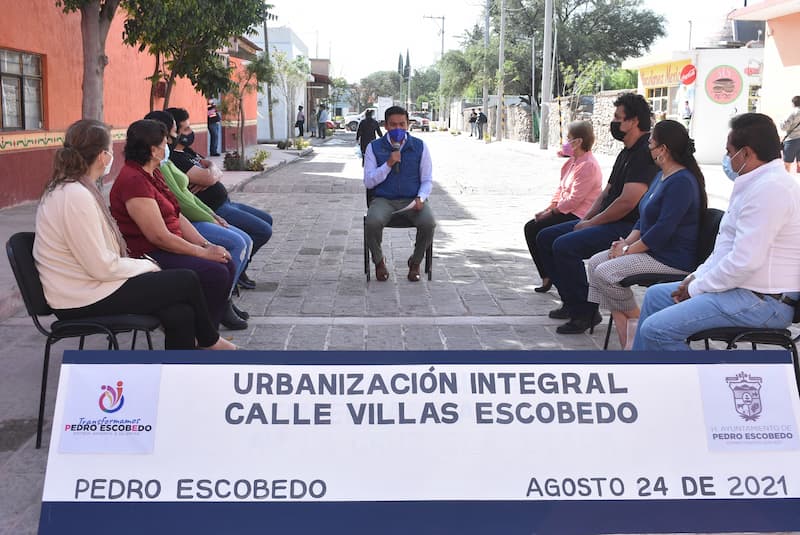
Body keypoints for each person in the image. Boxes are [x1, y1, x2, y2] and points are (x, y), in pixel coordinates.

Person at [35, 119, 235, 350]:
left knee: (179, 312)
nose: (113, 156)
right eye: (110, 150)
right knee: (185, 280)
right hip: (79, 296)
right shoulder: (74, 195)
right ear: (102, 156)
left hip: (91, 285)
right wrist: (148, 266)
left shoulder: (75, 189)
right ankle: (210, 342)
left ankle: (178, 374)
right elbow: (102, 267)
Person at [633, 113, 800, 351]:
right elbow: (725, 247)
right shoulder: (755, 182)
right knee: (656, 297)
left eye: (729, 152)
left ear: (746, 153)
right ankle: (642, 373)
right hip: (743, 289)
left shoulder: (771, 190)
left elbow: (743, 262)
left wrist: (696, 288)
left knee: (657, 330)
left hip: (763, 301)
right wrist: (697, 277)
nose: (728, 159)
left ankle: (699, 386)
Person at [536, 92, 658, 334]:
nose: (614, 122)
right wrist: (587, 219)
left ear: (633, 121)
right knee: (544, 237)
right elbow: (607, 192)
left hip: (627, 228)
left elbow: (627, 201)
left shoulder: (644, 153)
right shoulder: (626, 152)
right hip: (607, 221)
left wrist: (592, 224)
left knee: (565, 246)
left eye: (617, 117)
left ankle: (586, 313)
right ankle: (572, 302)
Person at [586, 119, 706, 349]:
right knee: (595, 264)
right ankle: (628, 338)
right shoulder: (661, 176)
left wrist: (628, 251)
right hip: (651, 251)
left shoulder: (681, 182)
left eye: (652, 141)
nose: (648, 144)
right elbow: (644, 218)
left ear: (663, 149)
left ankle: (639, 325)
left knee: (606, 272)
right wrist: (624, 243)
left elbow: (663, 230)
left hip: (670, 258)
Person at [109, 119, 237, 331]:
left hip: (170, 245)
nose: (167, 147)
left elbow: (176, 215)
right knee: (217, 272)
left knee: (225, 261)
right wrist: (202, 254)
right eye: (164, 144)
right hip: (151, 253)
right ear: (153, 150)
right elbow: (158, 236)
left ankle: (204, 329)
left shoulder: (153, 172)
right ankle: (204, 335)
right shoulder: (133, 181)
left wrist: (206, 245)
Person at [145, 110, 252, 328]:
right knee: (233, 248)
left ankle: (220, 305)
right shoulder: (154, 170)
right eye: (174, 132)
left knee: (239, 246)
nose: (174, 139)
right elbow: (181, 205)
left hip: (194, 218)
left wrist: (212, 216)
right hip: (181, 228)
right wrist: (204, 244)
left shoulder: (165, 163)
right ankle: (213, 311)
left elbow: (183, 198)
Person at [166, 107, 273, 291]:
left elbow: (214, 170)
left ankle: (240, 266)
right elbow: (207, 177)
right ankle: (236, 270)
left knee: (267, 220)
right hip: (214, 208)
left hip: (226, 202)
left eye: (189, 128)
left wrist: (210, 170)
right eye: (184, 129)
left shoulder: (187, 152)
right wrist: (209, 173)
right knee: (261, 231)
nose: (189, 133)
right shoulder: (176, 159)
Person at [524, 120, 603, 294]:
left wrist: (551, 213)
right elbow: (560, 190)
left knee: (542, 234)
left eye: (569, 138)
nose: (566, 142)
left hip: (579, 214)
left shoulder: (588, 165)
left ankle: (561, 283)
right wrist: (548, 209)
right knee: (532, 227)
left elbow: (575, 200)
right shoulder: (572, 162)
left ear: (578, 141)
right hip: (565, 209)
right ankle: (547, 275)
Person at [364, 106, 436, 282]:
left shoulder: (419, 147)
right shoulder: (374, 148)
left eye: (402, 124)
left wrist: (421, 197)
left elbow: (427, 179)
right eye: (393, 125)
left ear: (408, 124)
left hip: (412, 199)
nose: (398, 129)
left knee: (429, 223)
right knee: (372, 222)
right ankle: (379, 262)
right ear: (386, 126)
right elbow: (369, 181)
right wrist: (388, 164)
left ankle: (415, 262)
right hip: (384, 199)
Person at [780, 95, 800, 173]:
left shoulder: (793, 113)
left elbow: (784, 127)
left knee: (787, 164)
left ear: (793, 103)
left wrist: (781, 122)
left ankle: (786, 182)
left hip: (792, 140)